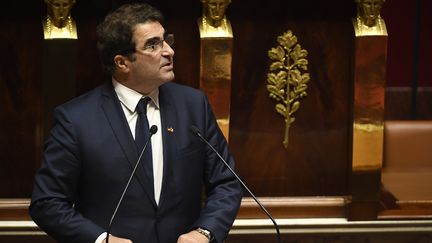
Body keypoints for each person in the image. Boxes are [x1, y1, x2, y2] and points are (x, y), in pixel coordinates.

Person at [29, 3, 242, 243]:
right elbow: (47, 203)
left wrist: (205, 231)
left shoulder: (193, 106)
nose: (169, 51)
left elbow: (227, 183)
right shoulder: (76, 120)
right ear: (122, 63)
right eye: (153, 45)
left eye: (166, 40)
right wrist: (101, 239)